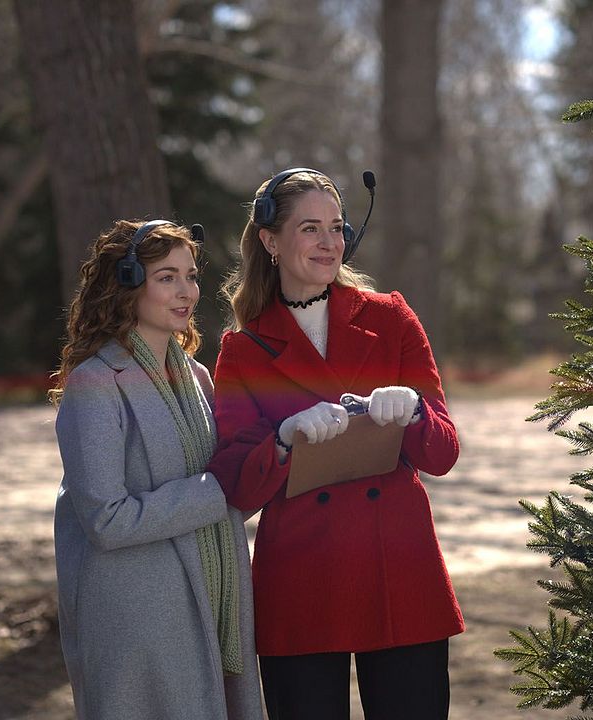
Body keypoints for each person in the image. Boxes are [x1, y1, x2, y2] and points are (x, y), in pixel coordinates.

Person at [207, 169, 464, 720]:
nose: (329, 243)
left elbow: (442, 453)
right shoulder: (243, 348)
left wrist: (415, 411)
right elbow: (234, 482)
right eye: (310, 228)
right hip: (301, 576)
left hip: (397, 565)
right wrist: (282, 439)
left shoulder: (391, 319)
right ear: (270, 241)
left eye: (337, 227)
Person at [50, 219, 262, 720]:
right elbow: (106, 518)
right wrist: (220, 490)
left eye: (191, 275)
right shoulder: (94, 383)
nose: (186, 290)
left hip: (209, 602)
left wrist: (268, 463)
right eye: (166, 277)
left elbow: (224, 492)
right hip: (136, 618)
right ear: (125, 284)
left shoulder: (197, 376)